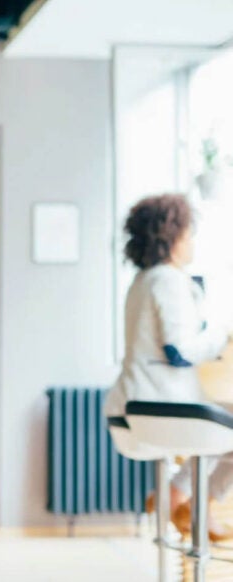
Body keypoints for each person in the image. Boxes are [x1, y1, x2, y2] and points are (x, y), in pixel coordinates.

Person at [104, 193, 233, 540]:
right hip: (162, 406)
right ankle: (189, 499)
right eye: (188, 234)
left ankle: (182, 498)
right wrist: (220, 334)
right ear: (171, 237)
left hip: (137, 405)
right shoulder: (168, 279)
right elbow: (179, 350)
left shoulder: (142, 281)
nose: (191, 244)